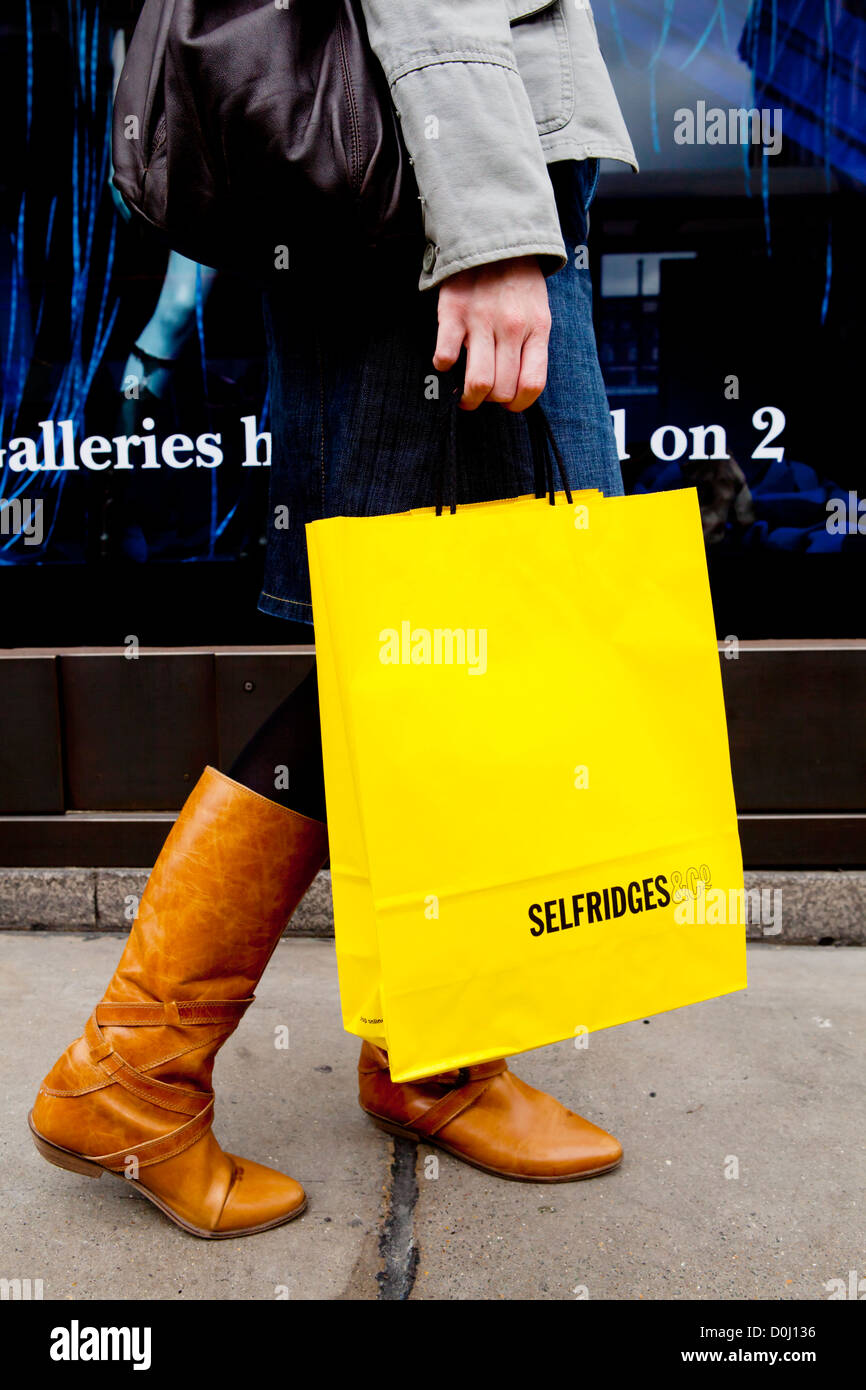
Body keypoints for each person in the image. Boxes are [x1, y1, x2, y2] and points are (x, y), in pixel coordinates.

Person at [30, 1, 638, 1239]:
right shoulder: (459, 215)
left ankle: (429, 1046)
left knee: (469, 635)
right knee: (436, 631)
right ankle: (138, 1066)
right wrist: (488, 233)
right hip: (427, 200)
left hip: (447, 179)